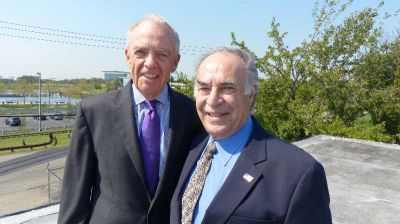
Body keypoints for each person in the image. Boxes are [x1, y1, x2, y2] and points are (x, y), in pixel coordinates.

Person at [58, 14, 201, 224]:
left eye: (162, 54)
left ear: (175, 62)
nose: (150, 63)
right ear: (128, 57)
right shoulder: (93, 112)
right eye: (141, 52)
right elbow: (74, 198)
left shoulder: (193, 115)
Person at [170, 47, 332, 224]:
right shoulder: (191, 145)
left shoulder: (299, 173)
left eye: (227, 88)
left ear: (251, 95)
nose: (212, 100)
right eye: (204, 88)